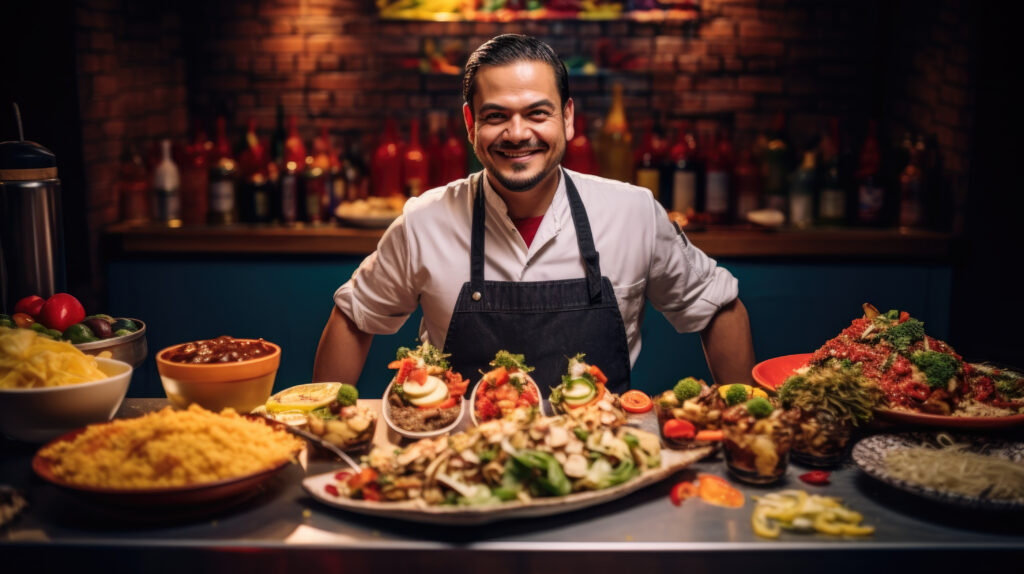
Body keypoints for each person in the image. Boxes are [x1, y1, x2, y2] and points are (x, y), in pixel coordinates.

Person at [313, 34, 754, 393]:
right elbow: (354, 316)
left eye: (537, 113)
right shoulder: (423, 220)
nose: (518, 133)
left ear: (567, 118)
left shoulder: (633, 212)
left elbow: (718, 306)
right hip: (460, 470)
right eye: (496, 116)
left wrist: (745, 423)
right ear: (470, 125)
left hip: (606, 468)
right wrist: (324, 431)